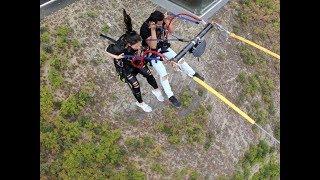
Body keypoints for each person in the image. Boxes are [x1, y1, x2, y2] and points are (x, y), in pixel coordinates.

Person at [139, 11, 204, 107]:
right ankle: (170, 96)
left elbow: (171, 31)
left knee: (180, 59)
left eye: (162, 22)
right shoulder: (144, 29)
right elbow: (153, 45)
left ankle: (193, 73)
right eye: (159, 23)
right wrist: (153, 30)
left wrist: (167, 21)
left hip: (163, 46)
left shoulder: (161, 22)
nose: (161, 25)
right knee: (163, 73)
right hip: (152, 52)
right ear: (153, 22)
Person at [105, 9, 164, 112]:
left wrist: (143, 51)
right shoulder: (119, 48)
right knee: (135, 84)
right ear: (129, 45)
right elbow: (106, 50)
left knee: (148, 74)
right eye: (137, 45)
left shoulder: (135, 40)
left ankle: (156, 90)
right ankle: (140, 103)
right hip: (126, 67)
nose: (139, 46)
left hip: (136, 61)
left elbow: (144, 48)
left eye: (140, 44)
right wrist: (117, 57)